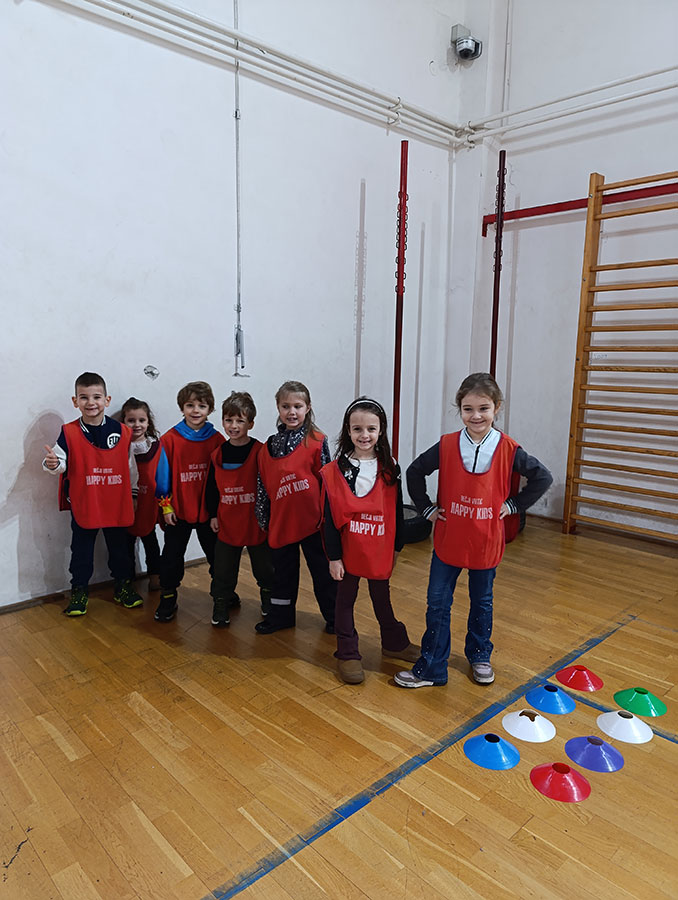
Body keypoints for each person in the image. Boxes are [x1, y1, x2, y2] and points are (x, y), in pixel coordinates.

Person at [395, 372, 553, 688]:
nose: (476, 416)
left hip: (485, 542)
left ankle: (480, 656)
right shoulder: (447, 444)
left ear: (497, 408)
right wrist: (426, 509)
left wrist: (513, 505)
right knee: (438, 603)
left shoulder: (508, 448)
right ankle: (433, 667)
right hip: (449, 539)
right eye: (468, 409)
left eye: (484, 408)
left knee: (482, 602)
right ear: (460, 409)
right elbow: (414, 471)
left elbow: (543, 478)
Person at [321, 398, 420, 684]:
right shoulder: (336, 470)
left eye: (371, 429)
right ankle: (347, 652)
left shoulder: (390, 467)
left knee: (382, 598)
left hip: (378, 548)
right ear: (347, 431)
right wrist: (334, 557)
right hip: (348, 550)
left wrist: (397, 547)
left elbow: (396, 511)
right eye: (357, 429)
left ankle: (394, 643)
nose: (364, 435)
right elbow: (329, 518)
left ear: (381, 430)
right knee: (345, 601)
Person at [42, 372, 142, 615]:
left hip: (116, 503)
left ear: (107, 400)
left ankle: (123, 586)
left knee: (120, 549)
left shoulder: (122, 431)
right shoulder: (69, 432)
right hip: (85, 503)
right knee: (81, 551)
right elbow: (59, 462)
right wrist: (52, 464)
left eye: (96, 397)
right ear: (75, 401)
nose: (91, 402)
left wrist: (134, 494)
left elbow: (131, 468)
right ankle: (79, 590)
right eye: (84, 397)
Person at [255, 380, 336, 634]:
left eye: (298, 406)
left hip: (313, 522)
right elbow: (262, 485)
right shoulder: (268, 447)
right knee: (282, 574)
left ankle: (335, 618)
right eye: (286, 406)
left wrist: (330, 519)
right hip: (282, 522)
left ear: (307, 408)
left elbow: (329, 483)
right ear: (278, 408)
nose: (292, 412)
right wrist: (263, 518)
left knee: (323, 573)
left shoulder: (317, 441)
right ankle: (281, 617)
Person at [154, 381, 224, 622]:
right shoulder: (169, 439)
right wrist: (166, 507)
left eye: (202, 406)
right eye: (190, 405)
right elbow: (162, 476)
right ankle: (168, 596)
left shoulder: (217, 440)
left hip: (208, 512)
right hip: (178, 512)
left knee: (217, 556)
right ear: (182, 407)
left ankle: (222, 594)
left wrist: (219, 510)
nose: (196, 410)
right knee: (171, 558)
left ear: (210, 409)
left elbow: (224, 477)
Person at [205, 391, 273, 628]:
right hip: (228, 521)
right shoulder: (218, 454)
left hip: (256, 521)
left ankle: (268, 597)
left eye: (240, 421)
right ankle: (221, 602)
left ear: (250, 424)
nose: (233, 426)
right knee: (223, 569)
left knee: (265, 567)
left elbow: (269, 485)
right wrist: (212, 514)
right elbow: (211, 488)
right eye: (229, 420)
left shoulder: (261, 451)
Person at [120, 397, 166, 592]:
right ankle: (127, 579)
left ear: (148, 422)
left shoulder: (155, 446)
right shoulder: (120, 447)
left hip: (149, 502)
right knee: (126, 544)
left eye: (141, 420)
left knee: (151, 541)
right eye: (131, 420)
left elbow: (162, 474)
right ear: (123, 422)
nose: (137, 425)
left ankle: (155, 575)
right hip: (126, 503)